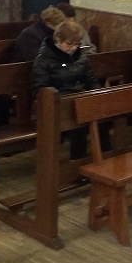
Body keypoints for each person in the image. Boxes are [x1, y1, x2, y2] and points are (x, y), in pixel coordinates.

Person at [32, 19, 110, 159]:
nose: (74, 48)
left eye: (77, 44)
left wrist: (97, 94)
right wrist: (61, 99)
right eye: (69, 44)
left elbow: (91, 80)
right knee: (78, 122)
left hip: (81, 99)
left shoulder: (81, 57)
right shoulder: (44, 59)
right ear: (58, 39)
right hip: (58, 103)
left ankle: (105, 158)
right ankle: (77, 162)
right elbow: (40, 89)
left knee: (103, 117)